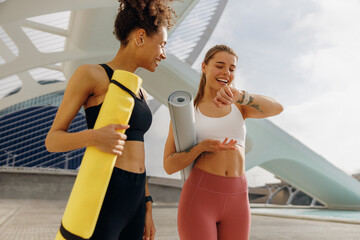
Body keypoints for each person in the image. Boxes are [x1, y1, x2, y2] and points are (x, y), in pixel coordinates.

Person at [45, 1, 177, 239]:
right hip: (106, 193)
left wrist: (147, 204)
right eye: (162, 45)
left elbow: (139, 152)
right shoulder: (91, 75)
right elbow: (53, 140)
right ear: (140, 37)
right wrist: (94, 137)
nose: (164, 54)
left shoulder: (141, 92)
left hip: (136, 198)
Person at [163, 44, 283, 240]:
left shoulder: (240, 106)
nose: (226, 72)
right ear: (204, 67)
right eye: (219, 66)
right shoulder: (188, 113)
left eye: (232, 68)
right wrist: (200, 148)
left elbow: (277, 108)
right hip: (200, 197)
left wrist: (242, 96)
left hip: (238, 198)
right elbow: (169, 165)